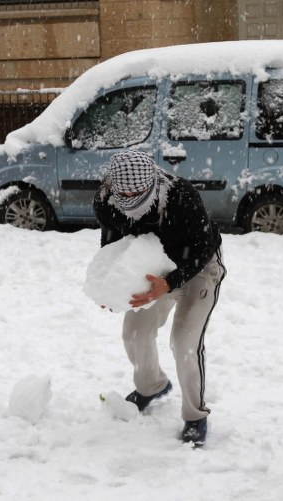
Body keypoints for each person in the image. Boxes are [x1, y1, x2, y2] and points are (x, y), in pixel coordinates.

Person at [93, 150, 227, 445]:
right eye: (122, 193)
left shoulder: (181, 197)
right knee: (134, 333)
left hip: (199, 266)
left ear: (150, 181)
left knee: (184, 344)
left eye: (136, 193)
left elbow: (203, 246)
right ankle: (152, 386)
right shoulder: (106, 201)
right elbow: (113, 240)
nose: (129, 200)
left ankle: (195, 415)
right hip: (152, 265)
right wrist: (109, 284)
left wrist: (170, 283)